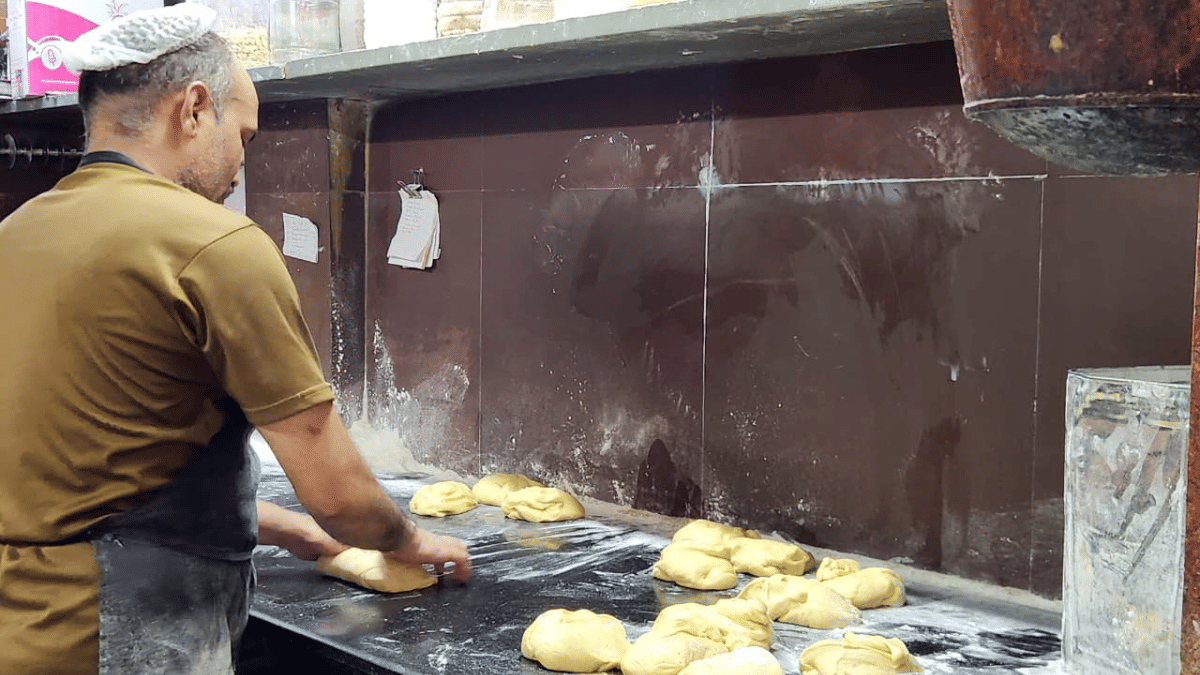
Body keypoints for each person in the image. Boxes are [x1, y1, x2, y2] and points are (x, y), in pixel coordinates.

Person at [0, 5, 471, 675]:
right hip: (116, 638)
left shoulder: (18, 233)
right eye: (243, 134)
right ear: (193, 109)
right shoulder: (212, 242)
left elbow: (87, 460)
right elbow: (335, 487)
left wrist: (282, 527)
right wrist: (410, 537)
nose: (240, 162)